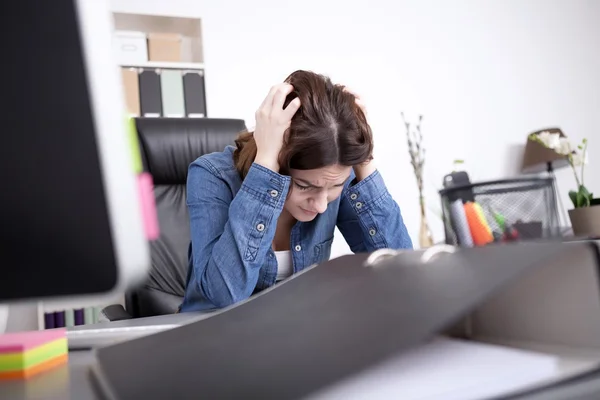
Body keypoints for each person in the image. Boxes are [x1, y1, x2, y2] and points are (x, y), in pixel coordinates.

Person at [179, 70, 412, 312]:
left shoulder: (331, 174)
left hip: (294, 336)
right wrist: (266, 159)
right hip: (211, 334)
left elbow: (400, 275)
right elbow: (225, 294)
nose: (321, 205)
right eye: (304, 186)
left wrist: (364, 158)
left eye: (336, 186)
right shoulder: (211, 174)